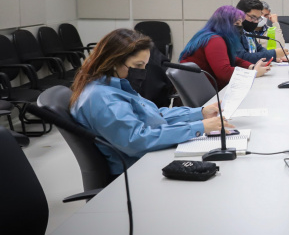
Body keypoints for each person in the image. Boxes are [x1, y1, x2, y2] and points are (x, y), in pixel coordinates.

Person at [70, 28, 230, 175]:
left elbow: (153, 114)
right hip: (137, 171)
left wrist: (200, 113)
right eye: (137, 65)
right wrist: (198, 127)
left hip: (149, 158)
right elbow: (136, 140)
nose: (141, 72)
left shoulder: (116, 84)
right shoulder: (102, 98)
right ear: (113, 61)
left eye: (144, 65)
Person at [180, 5, 269, 90]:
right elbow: (224, 73)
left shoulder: (213, 36)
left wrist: (252, 66)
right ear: (225, 24)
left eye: (241, 23)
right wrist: (252, 74)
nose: (240, 27)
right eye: (237, 23)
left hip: (205, 88)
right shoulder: (214, 40)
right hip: (202, 94)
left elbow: (233, 59)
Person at [236, 0, 289, 64]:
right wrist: (273, 54)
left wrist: (274, 57)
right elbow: (243, 57)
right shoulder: (234, 32)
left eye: (258, 18)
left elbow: (258, 49)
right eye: (253, 17)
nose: (255, 22)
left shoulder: (248, 29)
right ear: (240, 14)